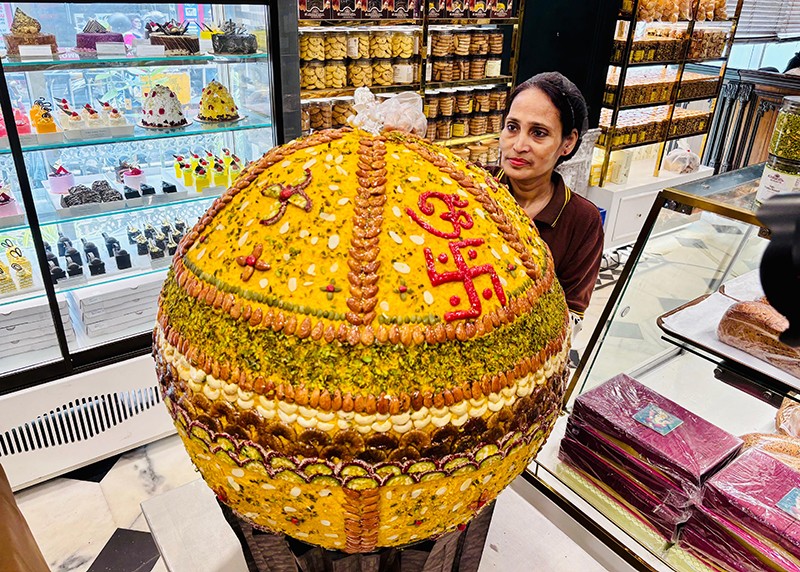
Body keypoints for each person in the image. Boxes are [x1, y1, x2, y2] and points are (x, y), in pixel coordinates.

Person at [485, 72, 604, 330]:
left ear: (568, 143)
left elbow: (571, 313)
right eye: (512, 127)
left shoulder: (582, 220)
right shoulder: (474, 185)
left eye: (538, 133)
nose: (518, 145)